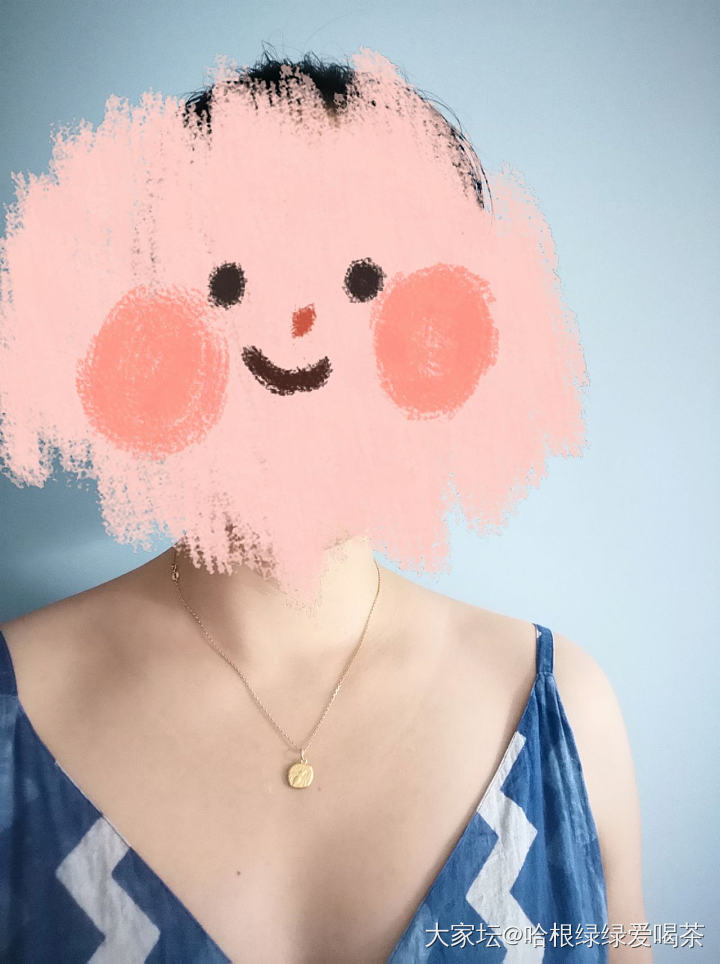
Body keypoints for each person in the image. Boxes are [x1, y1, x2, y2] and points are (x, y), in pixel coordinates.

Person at [0, 52, 649, 962]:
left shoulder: (564, 713)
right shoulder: (15, 711)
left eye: (365, 283)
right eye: (235, 281)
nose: (304, 335)